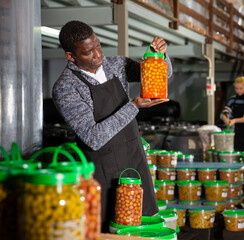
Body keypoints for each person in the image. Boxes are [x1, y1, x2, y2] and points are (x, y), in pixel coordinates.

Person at [52, 20, 173, 232]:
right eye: (88, 52)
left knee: (142, 227)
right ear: (71, 56)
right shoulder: (65, 88)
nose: (98, 55)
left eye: (98, 45)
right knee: (110, 229)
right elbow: (93, 137)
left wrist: (160, 55)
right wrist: (133, 106)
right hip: (102, 171)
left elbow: (163, 74)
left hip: (133, 160)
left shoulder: (116, 65)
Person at [220, 76, 244, 151]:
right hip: (236, 133)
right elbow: (225, 112)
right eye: (236, 88)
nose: (238, 91)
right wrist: (225, 119)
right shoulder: (232, 100)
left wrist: (235, 120)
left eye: (240, 88)